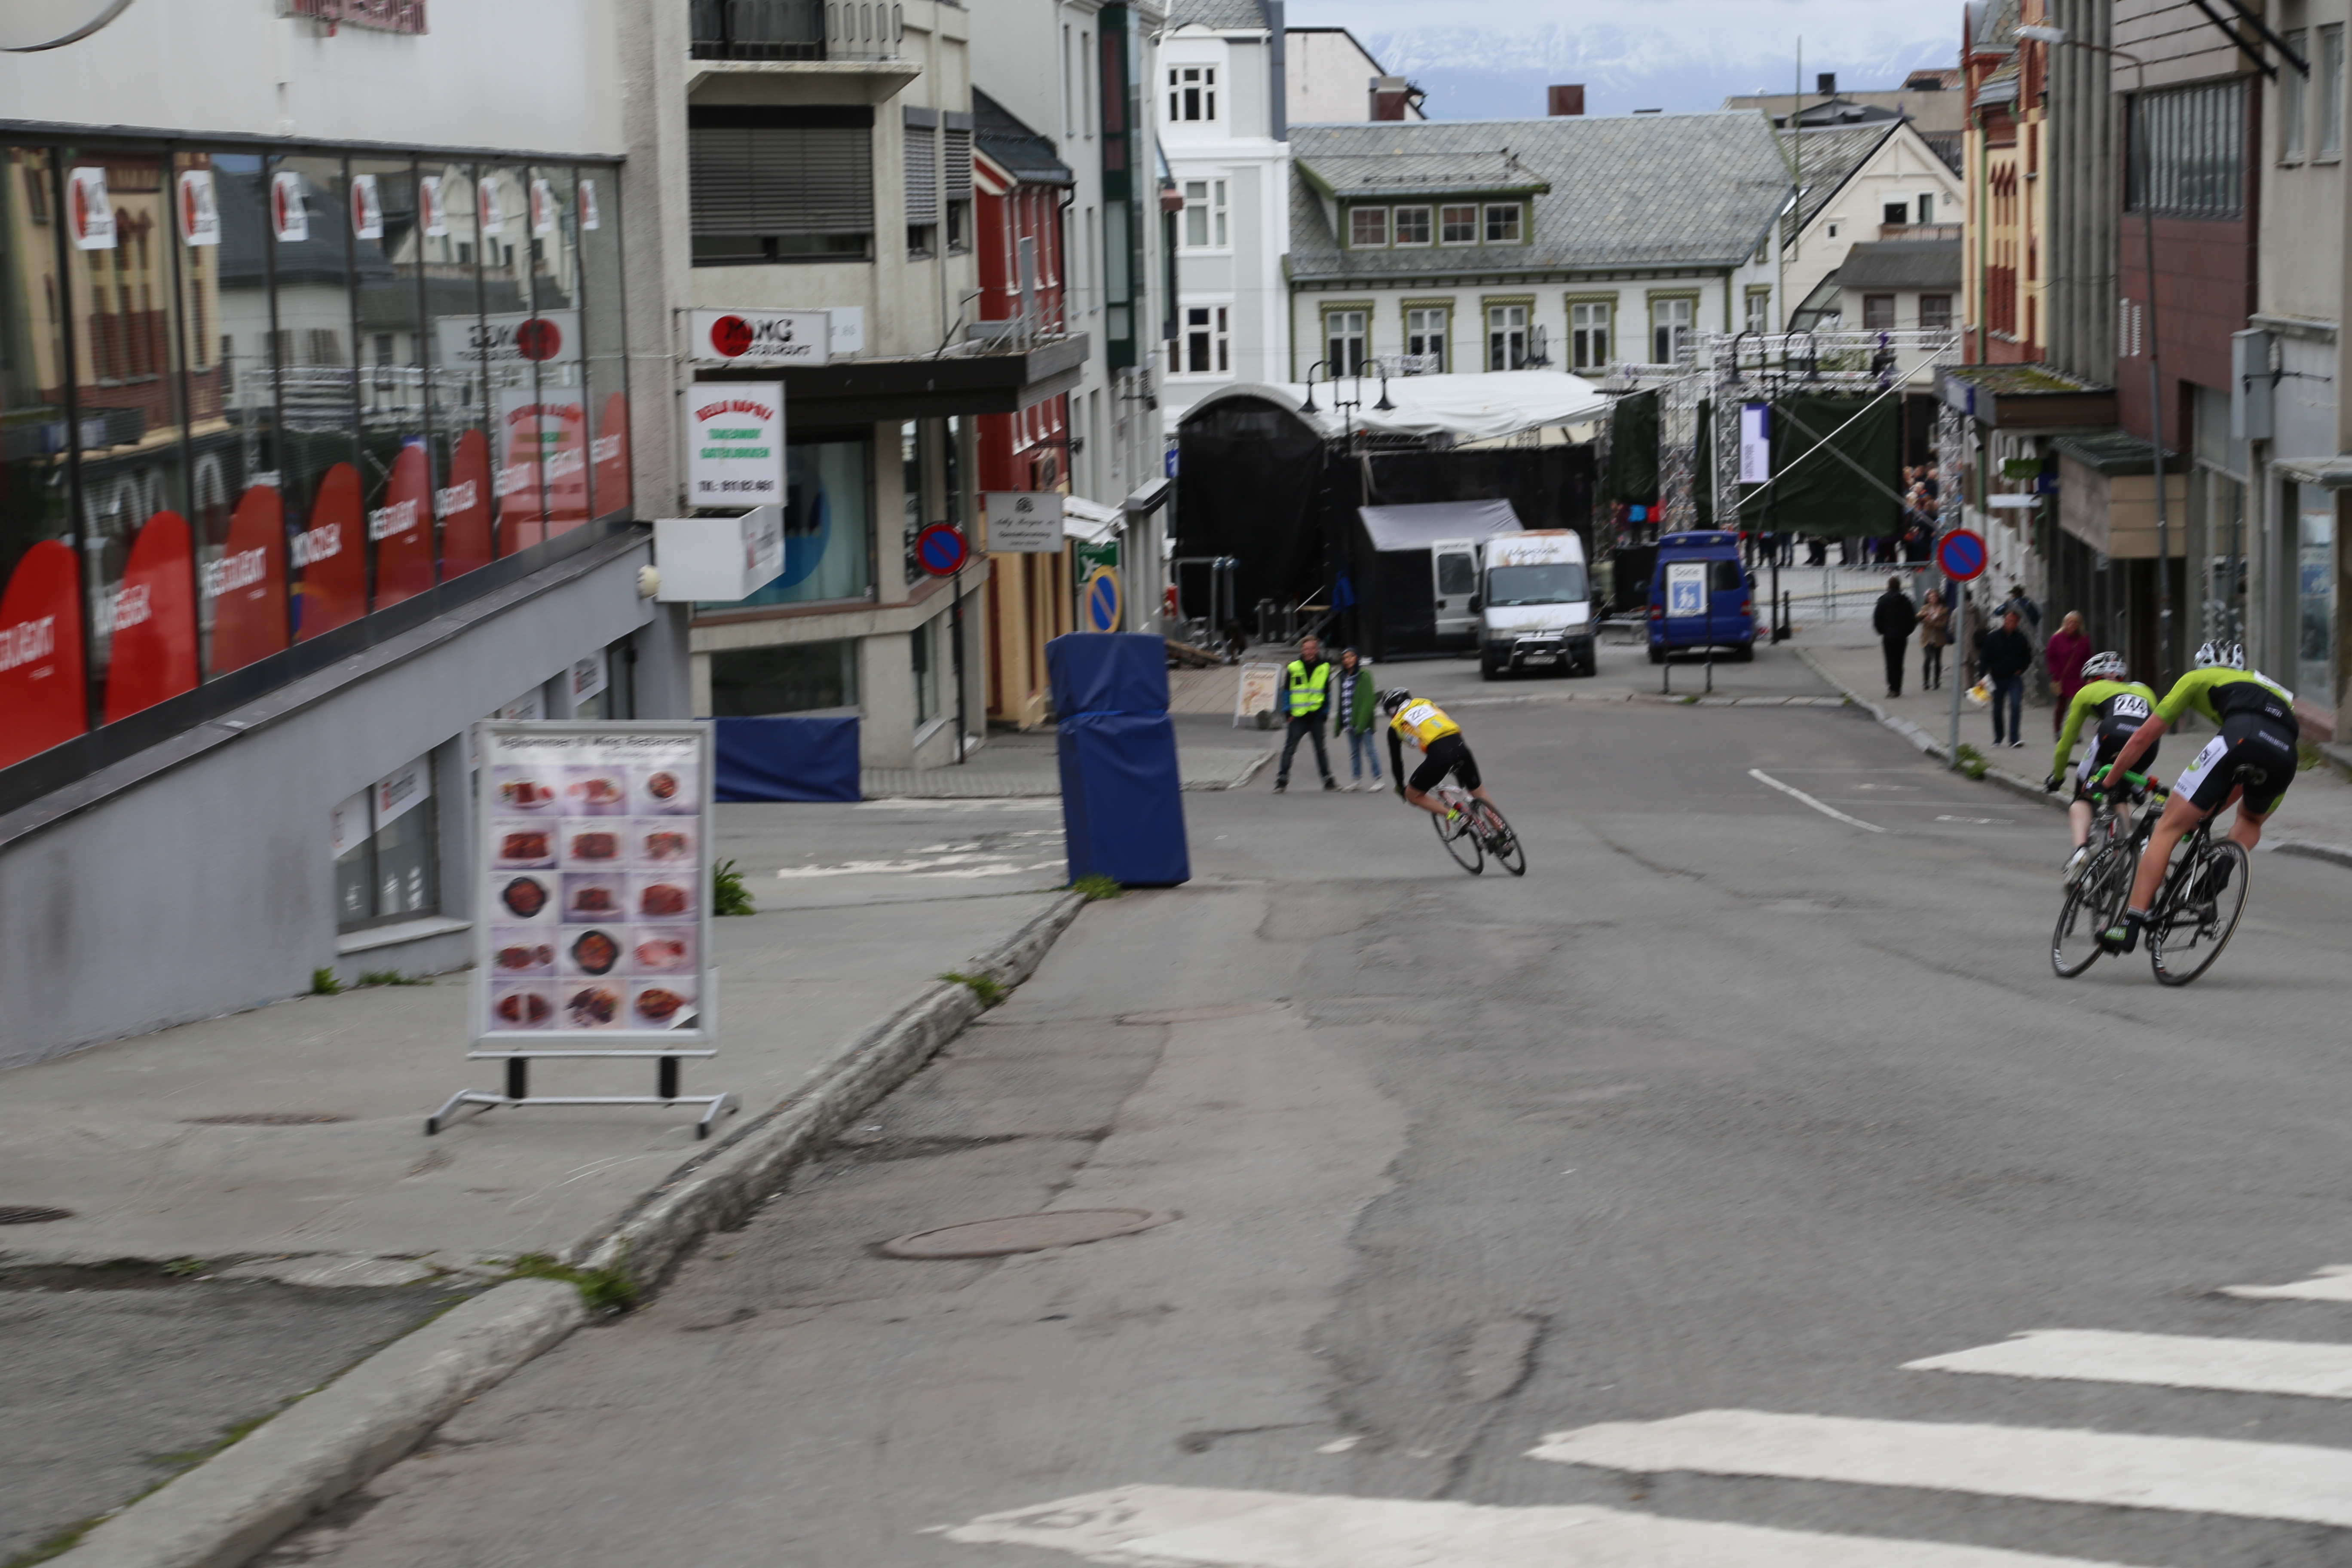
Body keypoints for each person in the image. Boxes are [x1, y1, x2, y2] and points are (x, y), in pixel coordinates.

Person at [2099, 643, 2300, 953]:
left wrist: (2111, 779)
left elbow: (2142, 737)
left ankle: (2129, 925)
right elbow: (2240, 779)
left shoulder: (2195, 679)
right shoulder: (2269, 686)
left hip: (2241, 736)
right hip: (2286, 754)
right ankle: (2224, 862)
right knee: (2250, 819)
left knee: (2167, 827)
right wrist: (2206, 813)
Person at [2043, 651, 2161, 885]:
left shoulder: (2087, 692)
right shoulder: (2146, 691)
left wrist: (2057, 777)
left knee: (2083, 798)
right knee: (2123, 798)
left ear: (2093, 678)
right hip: (2148, 746)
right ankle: (2118, 858)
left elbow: (2065, 745)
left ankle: (2080, 851)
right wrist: (2139, 786)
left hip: (2111, 737)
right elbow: (2151, 732)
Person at [1382, 688, 1494, 821]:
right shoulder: (1426, 703)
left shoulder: (1395, 725)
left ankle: (1458, 817)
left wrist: (1401, 787)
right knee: (1480, 793)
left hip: (1440, 756)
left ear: (1391, 710)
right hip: (1460, 746)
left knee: (1413, 796)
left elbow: (1397, 762)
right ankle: (1504, 835)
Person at [1274, 635, 1338, 793]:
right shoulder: (1294, 667)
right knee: (1289, 750)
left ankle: (1328, 780)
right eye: (1306, 649)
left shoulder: (1324, 667)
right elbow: (1286, 692)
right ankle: (1282, 781)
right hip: (1297, 717)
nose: (1309, 652)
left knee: (1320, 750)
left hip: (1316, 717)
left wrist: (1324, 713)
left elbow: (1327, 693)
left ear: (1317, 650)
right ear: (1302, 650)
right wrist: (1287, 712)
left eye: (1312, 649)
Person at [1976, 609, 2034, 747]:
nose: (2010, 624)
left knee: (2015, 705)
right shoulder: (1993, 638)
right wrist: (1982, 677)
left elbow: (2028, 657)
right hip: (1997, 678)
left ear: (2017, 623)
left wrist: (2022, 668)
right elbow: (1984, 658)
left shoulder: (2021, 639)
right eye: (2008, 621)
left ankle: (2014, 739)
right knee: (1997, 709)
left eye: (2014, 622)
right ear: (2004, 621)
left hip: (2014, 678)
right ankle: (1998, 738)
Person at [1330, 647, 1382, 790]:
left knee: (1370, 750)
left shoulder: (1364, 676)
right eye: (1345, 658)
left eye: (1351, 657)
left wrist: (1362, 723)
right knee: (1354, 752)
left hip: (1363, 722)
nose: (1348, 660)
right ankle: (1356, 779)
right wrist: (1338, 724)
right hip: (1349, 720)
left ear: (1357, 658)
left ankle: (1378, 779)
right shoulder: (1342, 676)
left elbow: (1368, 701)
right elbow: (1342, 700)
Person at [2043, 610, 2092, 737]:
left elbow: (2088, 657)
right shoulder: (2056, 638)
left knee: (2077, 707)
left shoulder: (2084, 639)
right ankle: (2058, 730)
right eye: (2070, 622)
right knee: (2061, 707)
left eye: (2075, 623)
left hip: (2077, 678)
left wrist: (2088, 675)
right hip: (2061, 677)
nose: (2072, 625)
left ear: (2079, 625)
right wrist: (2054, 672)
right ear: (2065, 623)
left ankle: (2075, 732)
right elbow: (2050, 656)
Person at [1871, 575, 1918, 698]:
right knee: (1899, 662)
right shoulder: (1906, 601)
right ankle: (1898, 687)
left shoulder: (1883, 601)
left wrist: (1882, 631)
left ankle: (1892, 688)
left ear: (1889, 586)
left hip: (1889, 636)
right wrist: (1907, 632)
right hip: (1902, 636)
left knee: (1890, 662)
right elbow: (1912, 620)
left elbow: (1877, 618)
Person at [1918, 589, 1951, 691]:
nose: (1933, 599)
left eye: (1935, 597)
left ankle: (1937, 682)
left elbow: (1943, 625)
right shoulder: (1925, 608)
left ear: (1938, 598)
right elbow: (1917, 618)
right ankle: (1926, 682)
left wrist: (1930, 622)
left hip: (1938, 639)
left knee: (1938, 660)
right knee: (1928, 658)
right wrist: (1922, 616)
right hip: (1927, 638)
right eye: (1931, 597)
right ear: (1928, 599)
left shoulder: (1944, 610)